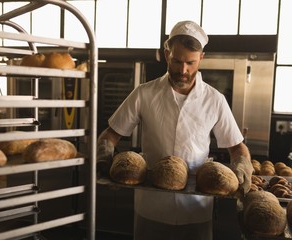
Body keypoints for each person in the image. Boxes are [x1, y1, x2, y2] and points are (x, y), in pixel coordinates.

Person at [97, 20, 253, 240]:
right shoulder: (144, 93)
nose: (183, 70)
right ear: (166, 52)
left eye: (190, 62)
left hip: (196, 208)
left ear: (201, 58)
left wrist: (242, 170)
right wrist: (103, 161)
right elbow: (111, 134)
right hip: (151, 205)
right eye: (177, 61)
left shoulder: (214, 100)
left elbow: (237, 147)